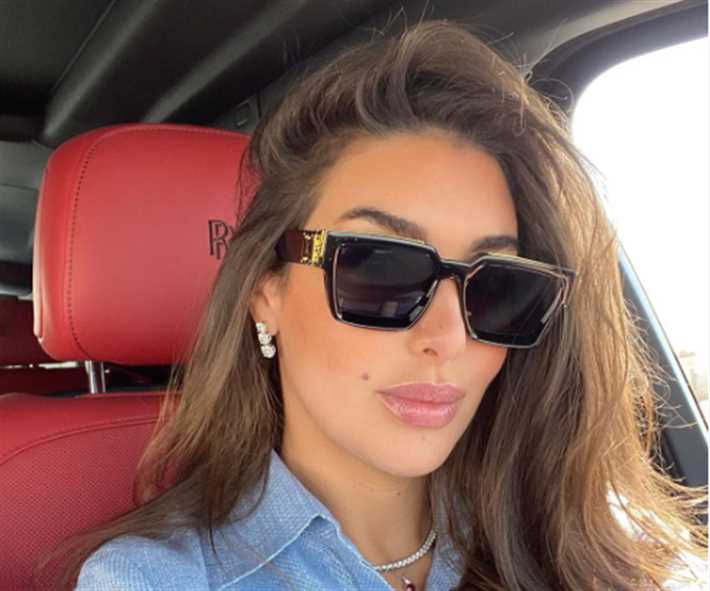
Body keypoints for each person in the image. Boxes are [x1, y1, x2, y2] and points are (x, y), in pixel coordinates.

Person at [53, 20, 706, 591]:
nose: (448, 337)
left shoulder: (581, 538)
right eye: (379, 270)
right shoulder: (157, 579)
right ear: (265, 294)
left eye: (498, 286)